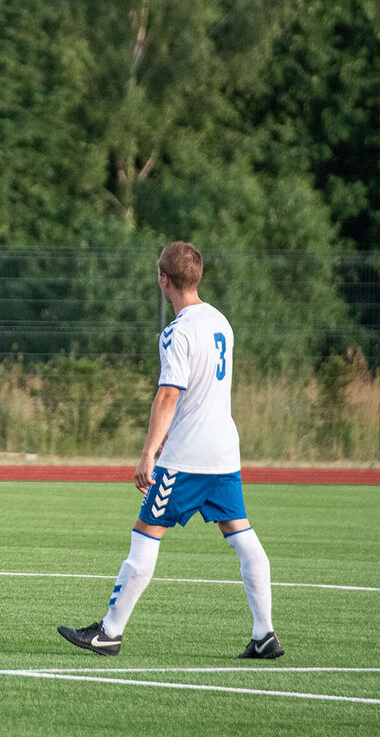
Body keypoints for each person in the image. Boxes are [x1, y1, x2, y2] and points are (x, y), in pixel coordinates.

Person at [57, 241, 282, 659]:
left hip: (186, 456)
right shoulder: (221, 321)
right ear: (197, 276)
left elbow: (168, 395)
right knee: (242, 535)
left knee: (146, 533)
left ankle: (109, 632)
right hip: (223, 453)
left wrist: (148, 453)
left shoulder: (177, 332)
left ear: (164, 280)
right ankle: (264, 633)